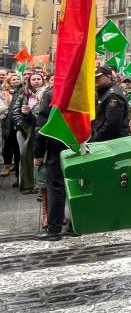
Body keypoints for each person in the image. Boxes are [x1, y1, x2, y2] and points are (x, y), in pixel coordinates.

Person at [33, 85, 68, 241]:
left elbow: (42, 127)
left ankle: (54, 229)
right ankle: (76, 226)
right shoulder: (84, 89)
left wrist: (38, 153)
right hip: (79, 143)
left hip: (56, 145)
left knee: (56, 187)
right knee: (78, 185)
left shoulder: (52, 93)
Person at [11, 71, 45, 194]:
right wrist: (22, 124)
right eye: (33, 79)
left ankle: (38, 185)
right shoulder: (23, 94)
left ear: (42, 80)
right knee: (25, 155)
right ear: (29, 82)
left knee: (39, 157)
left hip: (41, 129)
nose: (36, 81)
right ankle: (27, 185)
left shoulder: (46, 93)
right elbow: (14, 112)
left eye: (38, 79)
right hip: (24, 130)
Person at [92, 66, 130, 142]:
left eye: (98, 77)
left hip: (112, 141)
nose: (95, 79)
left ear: (108, 77)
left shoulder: (114, 95)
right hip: (106, 139)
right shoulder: (103, 92)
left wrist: (96, 137)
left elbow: (112, 124)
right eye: (94, 77)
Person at [0, 74, 21, 178]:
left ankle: (16, 166)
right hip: (6, 121)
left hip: (18, 121)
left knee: (17, 145)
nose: (16, 81)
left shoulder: (22, 91)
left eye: (17, 79)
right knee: (7, 143)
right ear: (9, 82)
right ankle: (7, 165)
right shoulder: (4, 93)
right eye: (13, 79)